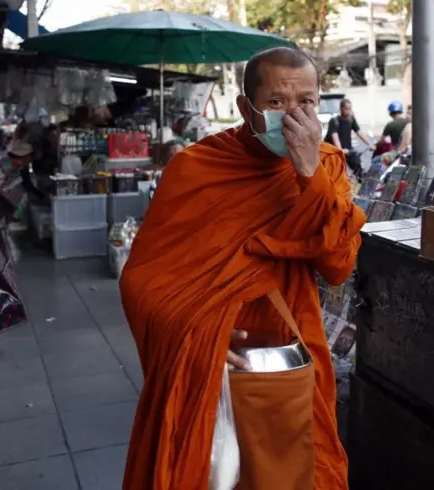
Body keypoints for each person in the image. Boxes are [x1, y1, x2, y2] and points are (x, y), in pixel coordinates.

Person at [119, 46, 365, 490]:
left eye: (306, 102)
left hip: (292, 344)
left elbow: (338, 266)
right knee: (213, 473)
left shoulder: (326, 163)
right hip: (214, 355)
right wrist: (195, 330)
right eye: (276, 103)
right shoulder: (196, 169)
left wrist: (310, 174)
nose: (294, 117)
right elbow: (143, 280)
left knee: (298, 468)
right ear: (244, 108)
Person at [324, 99, 375, 179]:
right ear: (341, 108)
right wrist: (339, 149)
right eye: (347, 109)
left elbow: (359, 132)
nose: (350, 111)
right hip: (335, 152)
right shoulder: (334, 121)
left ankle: (360, 185)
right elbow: (334, 135)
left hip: (347, 150)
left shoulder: (351, 120)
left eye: (350, 108)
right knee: (337, 173)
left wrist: (370, 144)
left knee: (358, 168)